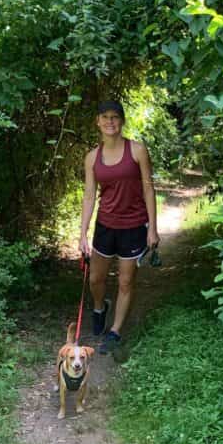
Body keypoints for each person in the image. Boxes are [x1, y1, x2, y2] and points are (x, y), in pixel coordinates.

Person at [79, 101, 160, 354]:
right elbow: (90, 195)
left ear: (122, 121)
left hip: (134, 226)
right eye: (105, 117)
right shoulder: (92, 157)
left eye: (115, 117)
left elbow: (148, 187)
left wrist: (152, 229)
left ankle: (114, 332)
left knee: (126, 282)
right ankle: (100, 306)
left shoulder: (137, 150)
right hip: (105, 225)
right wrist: (82, 234)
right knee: (96, 279)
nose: (110, 122)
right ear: (98, 121)